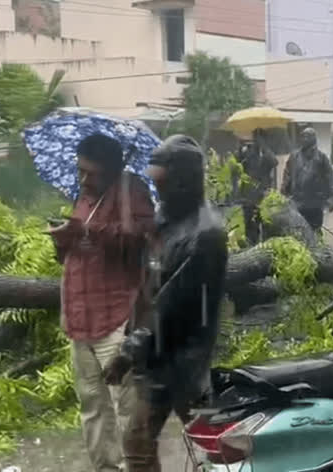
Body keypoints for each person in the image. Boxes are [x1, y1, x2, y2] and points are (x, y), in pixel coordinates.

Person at [103, 134, 229, 472]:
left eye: (163, 182)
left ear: (184, 181)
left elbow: (168, 303)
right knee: (138, 445)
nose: (157, 189)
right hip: (156, 356)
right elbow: (147, 279)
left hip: (187, 361)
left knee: (216, 446)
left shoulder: (206, 234)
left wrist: (128, 352)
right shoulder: (164, 217)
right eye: (153, 181)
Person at [48, 134, 155, 472]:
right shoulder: (84, 196)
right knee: (92, 407)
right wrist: (63, 239)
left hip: (116, 321)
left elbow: (139, 240)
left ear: (111, 169)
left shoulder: (130, 191)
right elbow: (73, 252)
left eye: (90, 173)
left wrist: (86, 232)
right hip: (79, 320)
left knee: (130, 413)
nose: (83, 179)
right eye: (80, 171)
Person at [281, 127, 333, 232]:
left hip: (314, 204)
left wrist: (332, 199)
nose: (304, 139)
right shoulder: (294, 156)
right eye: (303, 136)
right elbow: (287, 175)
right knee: (298, 233)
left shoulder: (321, 158)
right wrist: (283, 194)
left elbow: (330, 178)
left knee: (313, 233)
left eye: (307, 136)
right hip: (296, 203)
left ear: (314, 139)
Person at [236, 129, 278, 244]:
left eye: (259, 137)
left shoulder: (267, 152)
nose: (256, 140)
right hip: (249, 197)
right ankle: (251, 245)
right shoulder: (248, 152)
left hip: (264, 196)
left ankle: (265, 247)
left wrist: (264, 147)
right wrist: (240, 148)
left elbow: (274, 162)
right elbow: (238, 164)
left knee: (267, 227)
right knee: (250, 228)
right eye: (255, 137)